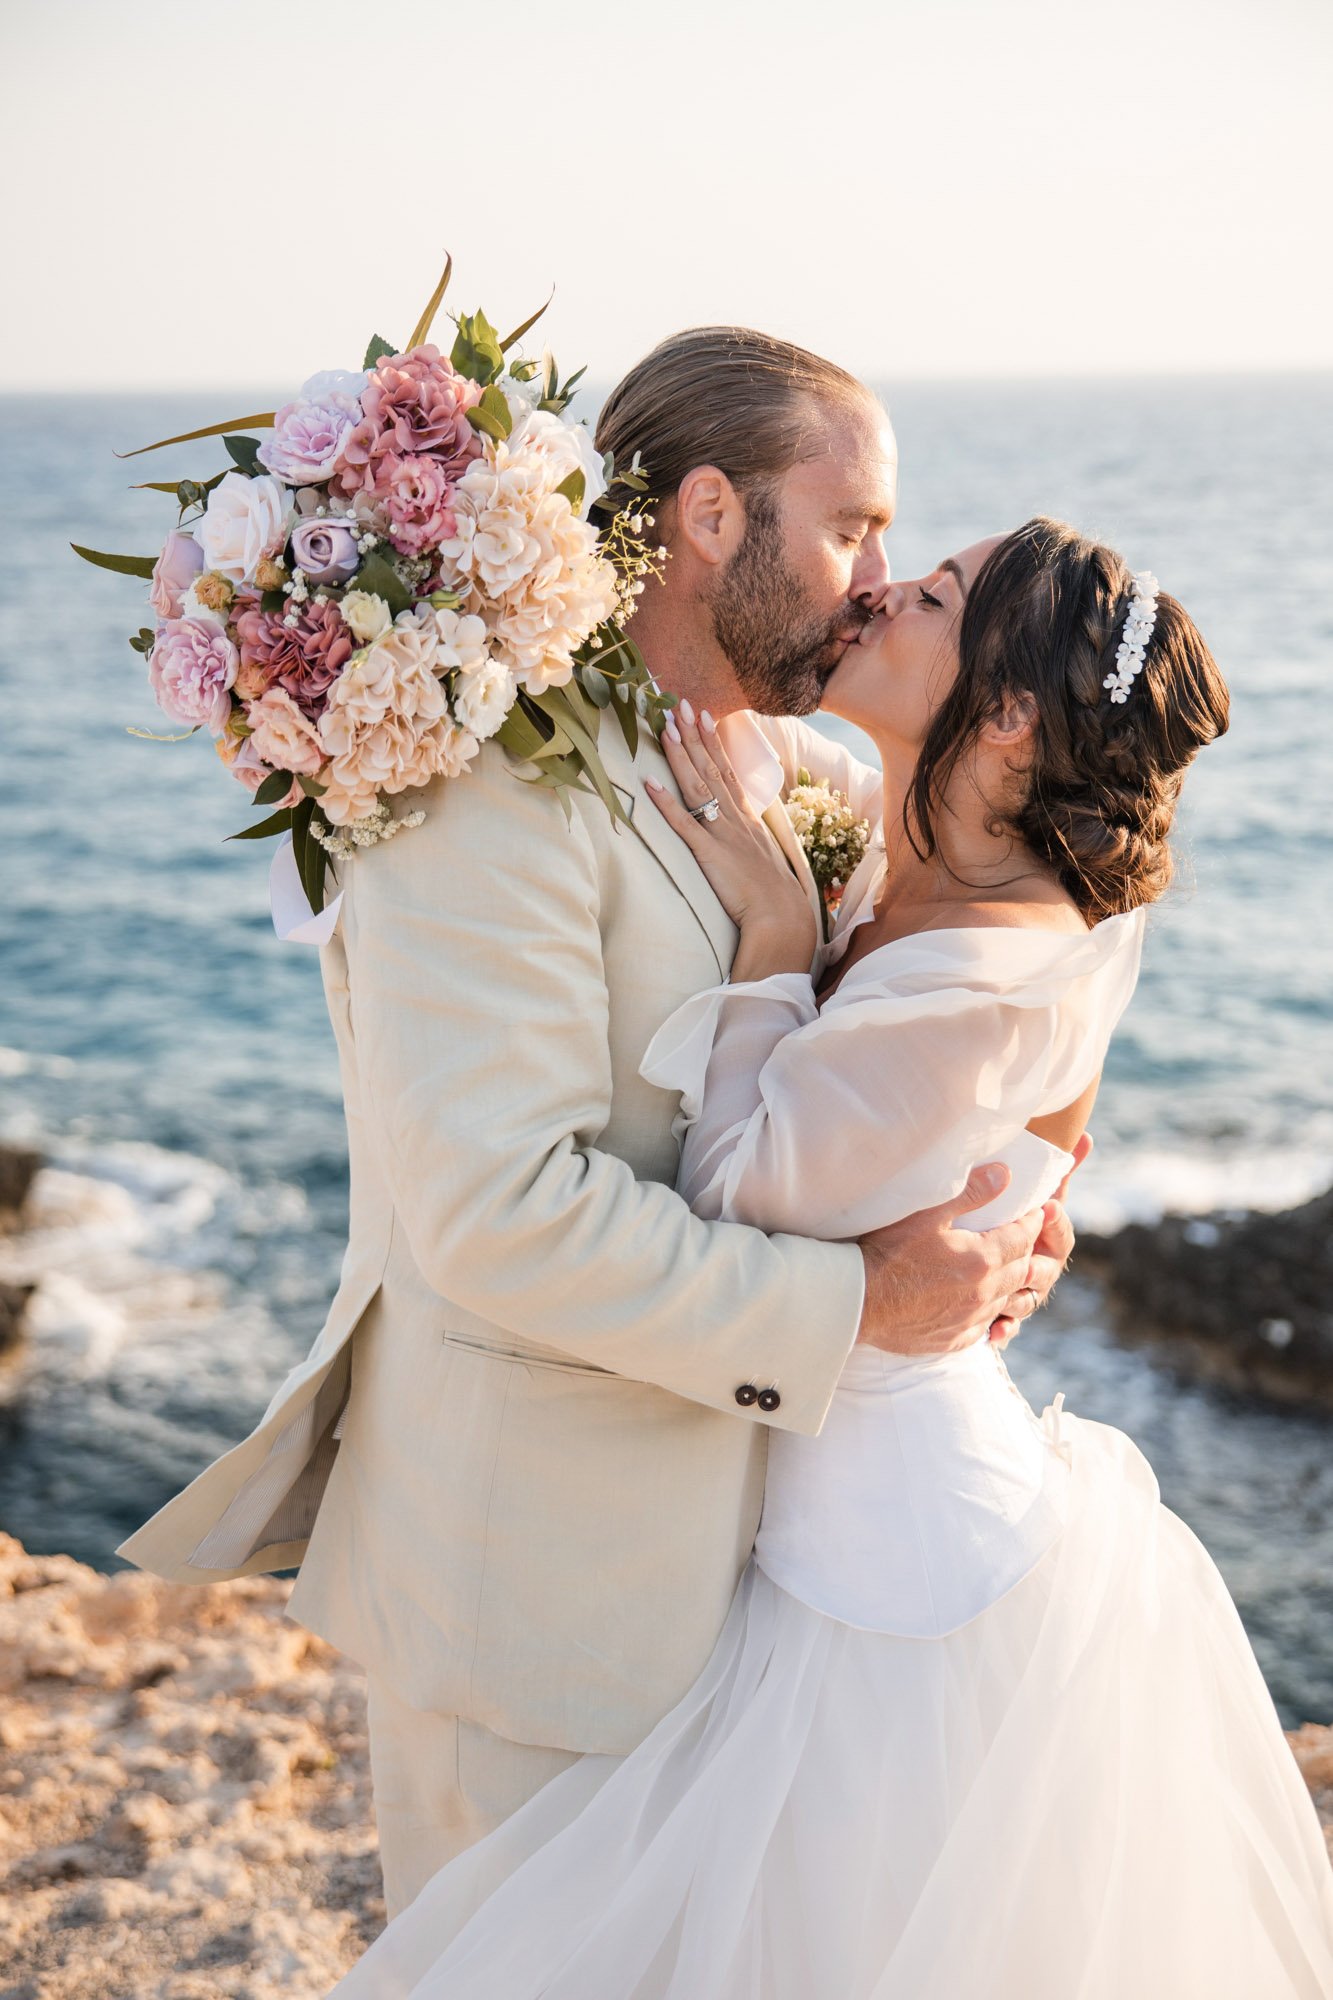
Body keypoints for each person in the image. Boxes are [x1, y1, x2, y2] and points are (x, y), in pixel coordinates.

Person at [114, 330, 1075, 1919]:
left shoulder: (796, 763)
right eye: (852, 526)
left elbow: (907, 1026)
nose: (878, 577)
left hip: (769, 1583)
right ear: (710, 516)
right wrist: (861, 1308)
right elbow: (501, 1210)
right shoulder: (482, 775)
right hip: (539, 1600)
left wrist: (1013, 1196)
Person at [324, 518, 1333, 1998]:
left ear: (1003, 720)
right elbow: (777, 764)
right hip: (814, 1521)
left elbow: (732, 1206)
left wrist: (773, 936)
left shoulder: (973, 989)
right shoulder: (947, 844)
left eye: (928, 595)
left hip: (887, 1588)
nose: (881, 585)